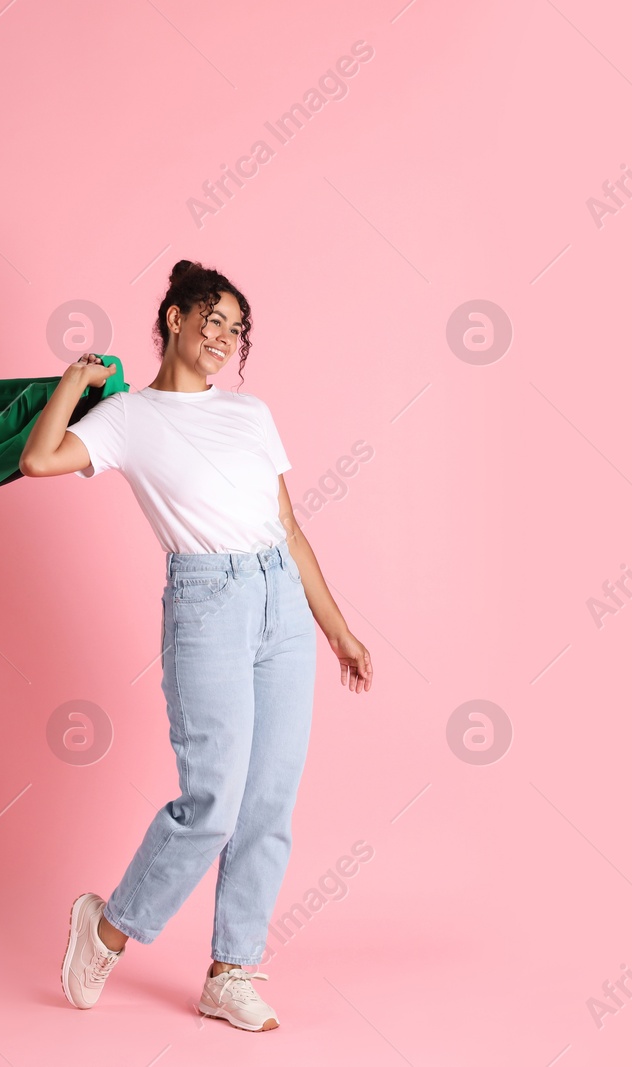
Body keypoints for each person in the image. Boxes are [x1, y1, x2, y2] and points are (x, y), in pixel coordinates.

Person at [19, 259, 373, 1032]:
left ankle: (230, 969)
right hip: (207, 603)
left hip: (280, 597)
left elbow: (290, 528)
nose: (223, 338)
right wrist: (72, 387)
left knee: (269, 798)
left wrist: (335, 627)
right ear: (173, 317)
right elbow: (39, 459)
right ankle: (106, 928)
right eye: (211, 320)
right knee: (212, 800)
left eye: (236, 328)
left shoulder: (251, 414)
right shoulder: (128, 417)